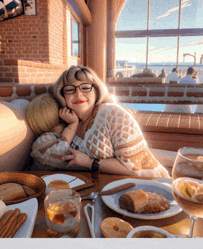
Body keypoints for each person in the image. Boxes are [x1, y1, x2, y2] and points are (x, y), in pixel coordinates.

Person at [30, 66, 169, 177]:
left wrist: (90, 163)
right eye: (70, 89)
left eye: (85, 87)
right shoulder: (69, 122)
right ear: (62, 95)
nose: (78, 94)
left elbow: (136, 170)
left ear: (96, 90)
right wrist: (72, 125)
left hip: (150, 187)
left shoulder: (112, 115)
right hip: (101, 192)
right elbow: (50, 155)